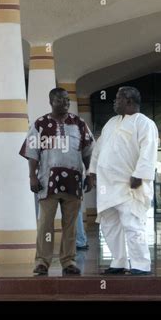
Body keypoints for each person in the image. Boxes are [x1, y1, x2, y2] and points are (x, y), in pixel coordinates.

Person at [20, 87, 94, 276]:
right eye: (61, 100)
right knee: (45, 223)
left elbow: (88, 152)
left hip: (74, 181)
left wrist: (91, 175)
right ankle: (42, 262)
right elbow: (32, 153)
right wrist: (32, 176)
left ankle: (68, 261)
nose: (66, 103)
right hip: (47, 182)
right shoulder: (41, 124)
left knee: (70, 225)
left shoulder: (79, 123)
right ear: (51, 101)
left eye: (67, 100)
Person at [88, 86, 158, 276]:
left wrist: (139, 175)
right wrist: (92, 171)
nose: (114, 101)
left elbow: (148, 152)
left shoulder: (144, 123)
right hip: (107, 186)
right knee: (109, 225)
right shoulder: (111, 122)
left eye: (118, 98)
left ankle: (140, 265)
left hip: (129, 184)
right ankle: (119, 262)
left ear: (128, 101)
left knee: (132, 225)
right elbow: (99, 148)